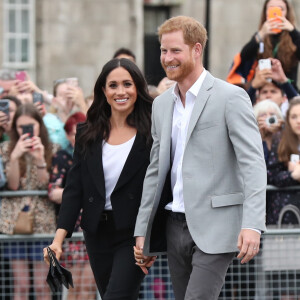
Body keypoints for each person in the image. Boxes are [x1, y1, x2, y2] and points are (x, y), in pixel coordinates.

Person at [133, 16, 266, 300]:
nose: (167, 58)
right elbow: (155, 171)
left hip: (217, 226)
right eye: (163, 50)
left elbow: (253, 164)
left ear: (196, 49)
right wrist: (142, 230)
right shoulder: (160, 105)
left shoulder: (230, 97)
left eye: (175, 50)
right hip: (173, 225)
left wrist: (252, 224)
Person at [43, 58, 154, 299]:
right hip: (97, 232)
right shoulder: (87, 132)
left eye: (127, 84)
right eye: (113, 85)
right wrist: (58, 240)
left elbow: (160, 186)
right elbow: (74, 189)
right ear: (103, 91)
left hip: (134, 233)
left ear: (137, 88)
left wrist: (150, 237)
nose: (121, 91)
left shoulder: (153, 131)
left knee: (116, 296)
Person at [0, 103, 57, 299]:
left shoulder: (52, 148)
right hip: (14, 222)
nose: (26, 130)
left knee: (42, 286)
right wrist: (15, 157)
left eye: (31, 125)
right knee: (21, 285)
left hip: (43, 222)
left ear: (39, 125)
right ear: (14, 128)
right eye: (20, 126)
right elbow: (13, 185)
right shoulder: (7, 149)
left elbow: (45, 186)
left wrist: (40, 160)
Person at [240, 0, 300, 90]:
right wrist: (261, 34)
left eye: (281, 9)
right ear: (265, 12)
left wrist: (292, 31)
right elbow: (244, 56)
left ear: (287, 12)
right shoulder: (261, 36)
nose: (276, 13)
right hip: (263, 91)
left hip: (288, 90)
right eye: (271, 9)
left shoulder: (293, 36)